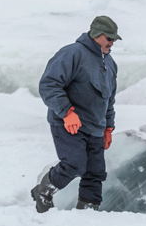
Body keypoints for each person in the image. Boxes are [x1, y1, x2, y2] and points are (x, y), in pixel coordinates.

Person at [31, 16, 121, 213]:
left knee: (95, 173)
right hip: (69, 123)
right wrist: (67, 112)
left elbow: (109, 99)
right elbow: (49, 85)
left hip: (95, 126)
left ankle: (88, 214)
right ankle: (43, 192)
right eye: (109, 38)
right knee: (74, 164)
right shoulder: (72, 53)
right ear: (96, 34)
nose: (112, 43)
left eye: (114, 39)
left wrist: (108, 127)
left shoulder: (111, 64)